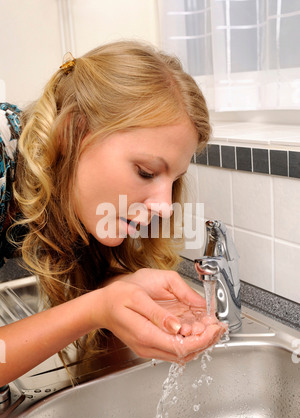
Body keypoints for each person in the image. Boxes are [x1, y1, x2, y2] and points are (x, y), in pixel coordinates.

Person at [0, 41, 225, 387]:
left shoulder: (63, 193)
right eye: (147, 172)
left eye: (173, 180)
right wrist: (97, 308)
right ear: (75, 131)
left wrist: (123, 288)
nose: (164, 206)